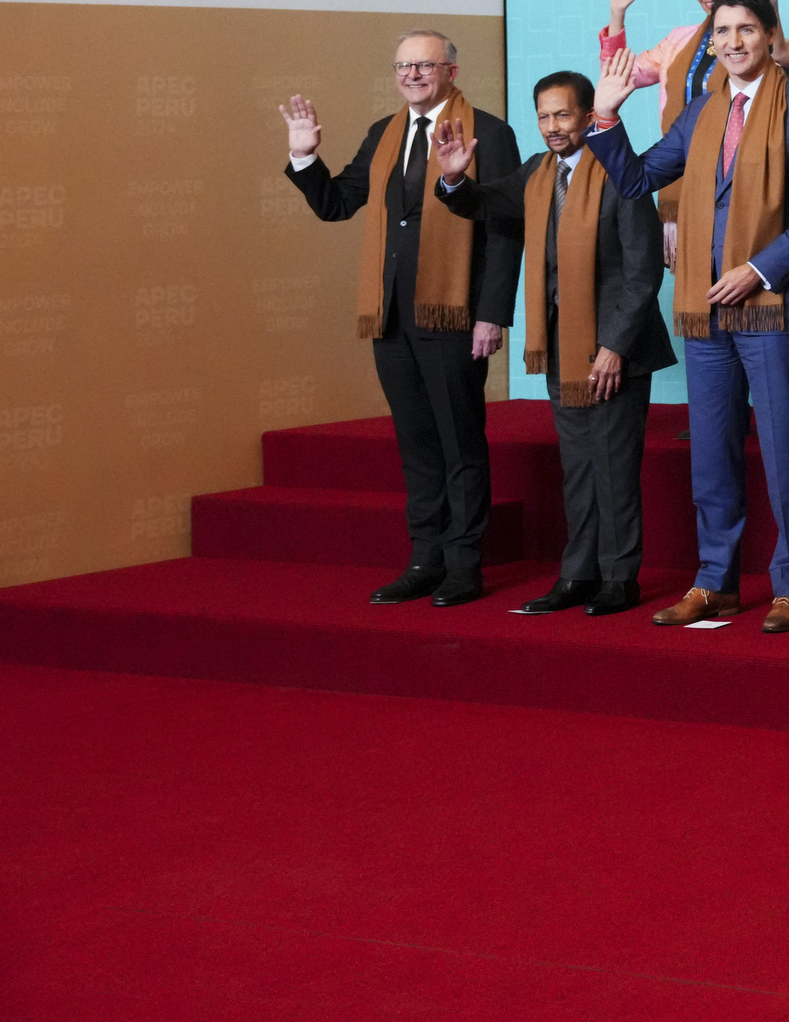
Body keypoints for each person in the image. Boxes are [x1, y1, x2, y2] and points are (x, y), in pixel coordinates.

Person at [589, 0, 789, 632]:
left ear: (767, 34)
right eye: (723, 30)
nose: (733, 41)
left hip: (771, 306)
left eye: (747, 29)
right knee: (712, 452)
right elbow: (640, 180)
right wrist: (609, 121)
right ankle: (716, 582)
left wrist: (758, 270)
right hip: (705, 308)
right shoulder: (702, 110)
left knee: (784, 450)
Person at [278, 32, 521, 609]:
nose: (412, 74)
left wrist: (492, 314)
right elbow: (337, 204)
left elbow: (508, 227)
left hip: (454, 312)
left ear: (452, 71)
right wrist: (304, 155)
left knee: (460, 441)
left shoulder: (490, 131)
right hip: (392, 315)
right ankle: (424, 559)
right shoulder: (384, 134)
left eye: (425, 64)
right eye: (403, 65)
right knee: (416, 443)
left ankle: (464, 564)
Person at [430, 71, 673, 617]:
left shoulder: (620, 172)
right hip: (562, 344)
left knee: (613, 466)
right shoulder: (539, 173)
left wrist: (614, 346)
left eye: (562, 115)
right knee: (579, 467)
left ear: (590, 117)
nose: (552, 127)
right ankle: (577, 575)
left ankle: (619, 579)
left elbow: (642, 273)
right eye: (543, 116)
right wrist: (453, 181)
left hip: (616, 346)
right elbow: (485, 202)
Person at [599, 0, 786, 270]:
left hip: (742, 174)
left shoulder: (752, 43)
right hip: (681, 174)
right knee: (697, 289)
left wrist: (768, 1)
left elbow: (781, 61)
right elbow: (622, 74)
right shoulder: (678, 40)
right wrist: (617, 15)